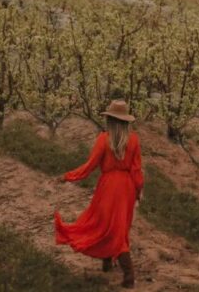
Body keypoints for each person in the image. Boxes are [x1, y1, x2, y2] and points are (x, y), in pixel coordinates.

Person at [54, 99, 144, 288]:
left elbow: (89, 167)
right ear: (126, 121)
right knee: (119, 228)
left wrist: (68, 176)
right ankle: (110, 264)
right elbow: (136, 170)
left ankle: (128, 276)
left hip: (108, 187)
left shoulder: (103, 139)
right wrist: (138, 191)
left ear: (109, 119)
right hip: (126, 187)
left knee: (104, 225)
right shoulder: (134, 140)